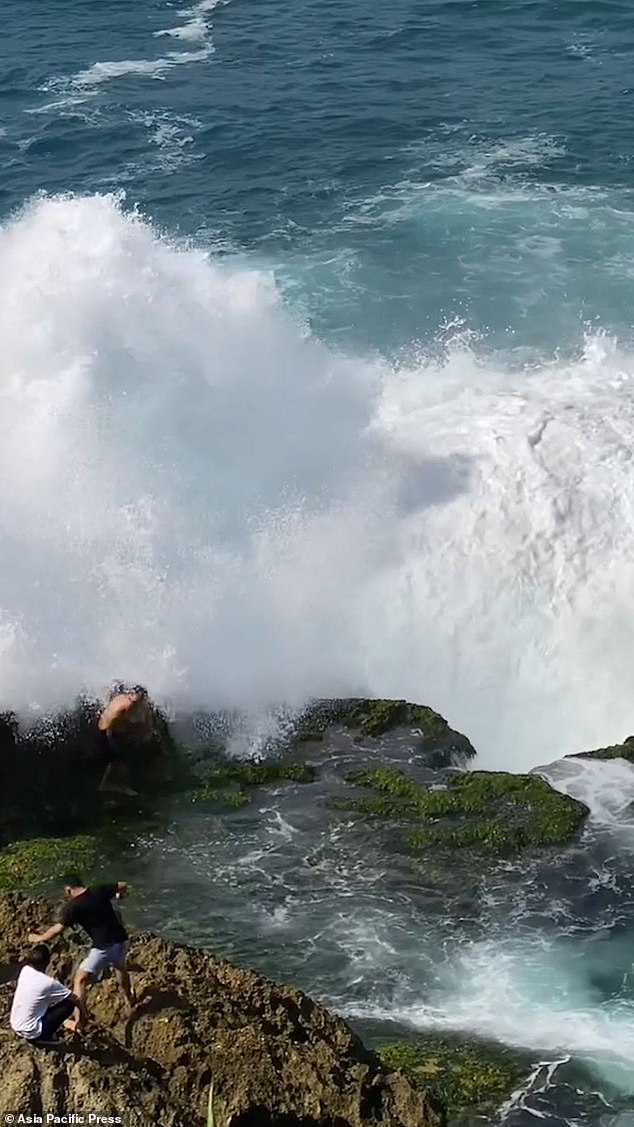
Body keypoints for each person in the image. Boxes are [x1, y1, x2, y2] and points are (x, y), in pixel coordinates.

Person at [28, 873, 135, 1029]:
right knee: (120, 967)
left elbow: (57, 929)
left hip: (103, 948)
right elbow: (123, 884)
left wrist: (39, 938)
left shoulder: (73, 907)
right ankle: (130, 1000)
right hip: (122, 940)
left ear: (68, 889)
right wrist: (120, 896)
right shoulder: (99, 890)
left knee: (80, 979)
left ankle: (80, 1022)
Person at [10, 943, 86, 1045]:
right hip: (33, 1033)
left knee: (43, 1000)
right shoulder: (48, 983)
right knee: (69, 1004)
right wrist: (83, 1016)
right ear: (47, 962)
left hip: (16, 1024)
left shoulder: (25, 970)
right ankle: (46, 1037)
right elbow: (75, 999)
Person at [97, 684, 151, 797]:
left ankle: (107, 784)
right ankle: (115, 785)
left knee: (118, 758)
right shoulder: (126, 706)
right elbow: (107, 723)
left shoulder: (128, 700)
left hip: (107, 730)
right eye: (140, 697)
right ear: (132, 695)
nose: (142, 699)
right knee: (121, 757)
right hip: (107, 732)